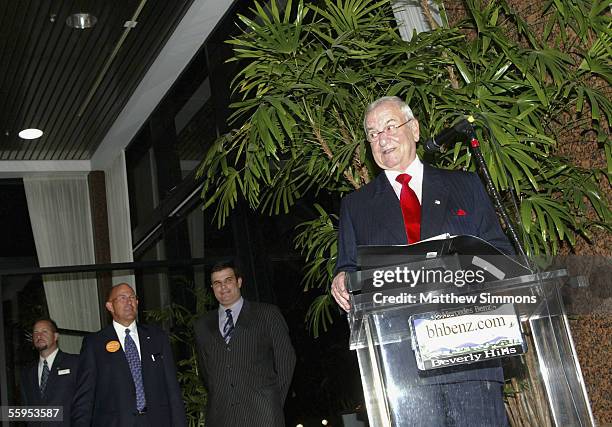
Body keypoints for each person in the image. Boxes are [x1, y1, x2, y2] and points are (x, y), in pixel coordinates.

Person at [331, 96, 513, 426]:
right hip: (404, 371)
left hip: (471, 355)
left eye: (389, 127)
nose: (381, 138)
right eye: (372, 134)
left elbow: (502, 257)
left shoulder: (465, 185)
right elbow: (348, 269)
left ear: (414, 129)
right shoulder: (356, 207)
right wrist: (342, 280)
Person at [194, 261, 296, 427]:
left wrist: (272, 402)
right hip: (221, 417)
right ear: (212, 287)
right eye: (217, 283)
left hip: (264, 415)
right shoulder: (202, 325)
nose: (223, 287)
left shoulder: (267, 314)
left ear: (239, 282)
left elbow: (286, 361)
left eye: (228, 280)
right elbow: (206, 372)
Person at [71, 283, 187, 427]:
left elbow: (173, 389)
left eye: (132, 297)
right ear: (110, 306)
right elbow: (85, 396)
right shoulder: (95, 344)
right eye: (122, 298)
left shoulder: (157, 337)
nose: (129, 301)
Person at [20, 318, 79, 426]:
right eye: (35, 332)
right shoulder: (27, 372)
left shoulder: (75, 363)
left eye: (44, 331)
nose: (39, 336)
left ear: (56, 336)